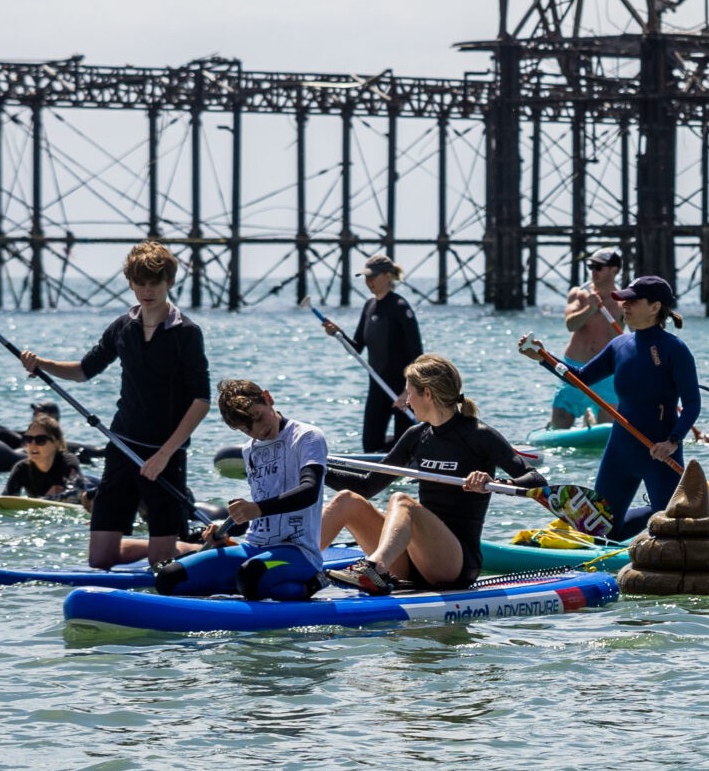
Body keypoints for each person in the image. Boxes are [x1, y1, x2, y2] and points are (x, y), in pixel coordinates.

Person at [17, 241, 210, 572]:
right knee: (101, 559)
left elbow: (201, 400)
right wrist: (41, 364)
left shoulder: (186, 333)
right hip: (121, 446)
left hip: (164, 456)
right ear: (131, 284)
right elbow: (83, 371)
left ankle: (190, 548)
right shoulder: (123, 327)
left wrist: (164, 454)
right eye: (140, 283)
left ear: (169, 283)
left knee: (161, 565)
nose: (147, 290)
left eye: (155, 283)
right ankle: (186, 547)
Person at [322, 354, 540, 594]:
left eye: (409, 393)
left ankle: (374, 569)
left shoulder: (479, 435)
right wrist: (317, 469)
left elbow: (536, 480)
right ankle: (294, 566)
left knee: (401, 501)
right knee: (346, 500)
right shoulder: (416, 436)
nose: (406, 401)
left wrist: (496, 483)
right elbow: (367, 486)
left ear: (427, 394)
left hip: (455, 564)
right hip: (414, 562)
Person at [523, 275, 700, 537]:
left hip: (659, 452)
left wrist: (672, 442)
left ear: (655, 307)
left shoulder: (674, 349)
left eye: (632, 301)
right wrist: (543, 357)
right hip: (620, 449)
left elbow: (693, 403)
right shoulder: (620, 345)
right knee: (602, 530)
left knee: (670, 527)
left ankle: (654, 515)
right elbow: (580, 378)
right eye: (623, 301)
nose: (624, 306)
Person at [155, 381, 328, 602]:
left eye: (257, 417)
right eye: (247, 429)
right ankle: (244, 587)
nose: (258, 430)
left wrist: (256, 509)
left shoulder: (307, 436)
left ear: (267, 398)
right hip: (252, 548)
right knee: (169, 578)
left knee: (250, 575)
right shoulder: (249, 450)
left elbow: (309, 491)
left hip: (298, 552)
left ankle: (312, 583)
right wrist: (225, 533)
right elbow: (262, 507)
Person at [321, 254, 424, 452]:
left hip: (404, 391)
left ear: (387, 276)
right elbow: (357, 346)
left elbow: (417, 356)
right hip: (378, 386)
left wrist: (407, 392)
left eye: (373, 277)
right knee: (370, 445)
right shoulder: (369, 306)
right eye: (366, 278)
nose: (369, 282)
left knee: (404, 449)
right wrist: (337, 333)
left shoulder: (401, 308)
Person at [550, 248, 626, 429]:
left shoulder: (624, 301)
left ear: (614, 270)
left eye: (598, 267)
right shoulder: (579, 294)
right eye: (590, 266)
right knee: (560, 423)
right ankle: (586, 416)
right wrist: (590, 308)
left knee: (607, 428)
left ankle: (590, 417)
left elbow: (635, 334)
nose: (593, 271)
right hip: (576, 366)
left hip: (606, 371)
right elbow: (571, 325)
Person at [1, 414, 88, 502]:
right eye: (28, 439)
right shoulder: (22, 468)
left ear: (56, 443)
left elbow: (78, 493)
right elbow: (6, 499)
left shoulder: (67, 462)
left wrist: (45, 499)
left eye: (40, 440)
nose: (32, 445)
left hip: (89, 485)